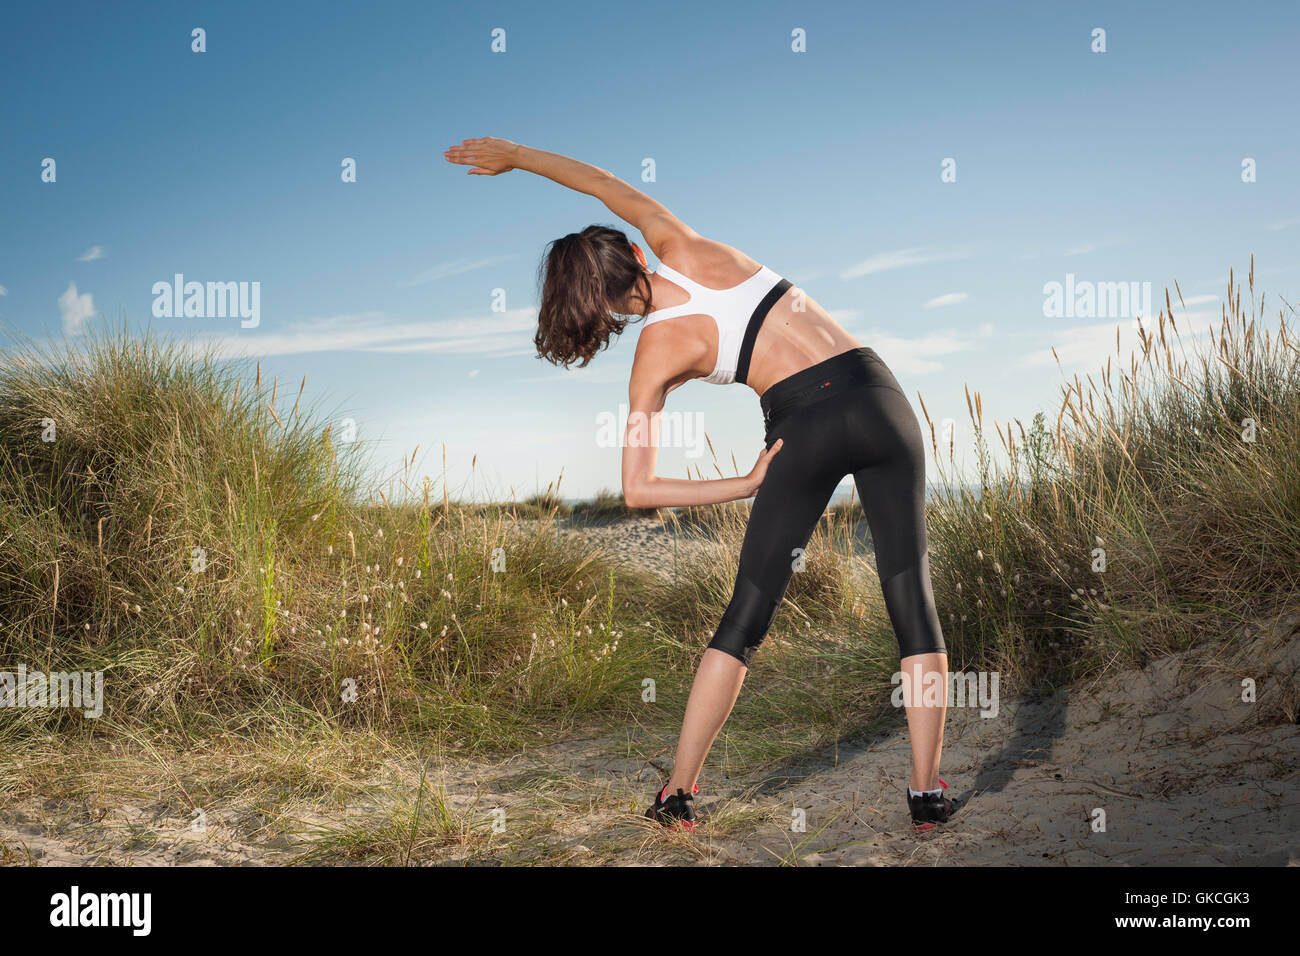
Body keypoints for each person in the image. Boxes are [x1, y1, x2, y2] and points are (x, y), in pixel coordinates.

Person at [443, 137, 956, 830]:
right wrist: (515, 155)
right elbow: (598, 179)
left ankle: (678, 794)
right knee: (911, 598)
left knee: (745, 620)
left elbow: (637, 489)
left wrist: (741, 482)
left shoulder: (654, 353)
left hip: (801, 427)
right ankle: (926, 796)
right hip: (879, 394)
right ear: (631, 248)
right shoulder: (680, 242)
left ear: (595, 305)